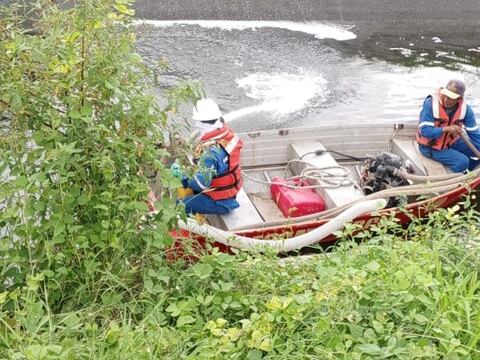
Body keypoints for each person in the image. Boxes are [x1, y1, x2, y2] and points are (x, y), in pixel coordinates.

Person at [171, 98, 243, 215]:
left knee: (178, 206)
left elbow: (200, 184)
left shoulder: (210, 154)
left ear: (202, 122)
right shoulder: (226, 134)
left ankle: (190, 227)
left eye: (197, 121)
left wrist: (182, 176)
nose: (195, 124)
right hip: (230, 192)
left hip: (219, 201)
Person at [416, 79, 480, 173]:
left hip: (451, 143)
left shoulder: (466, 110)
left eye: (451, 98)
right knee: (463, 161)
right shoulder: (431, 104)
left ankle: (468, 173)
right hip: (431, 147)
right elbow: (425, 131)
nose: (446, 99)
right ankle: (448, 179)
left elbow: (475, 134)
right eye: (445, 95)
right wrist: (445, 129)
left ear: (459, 99)